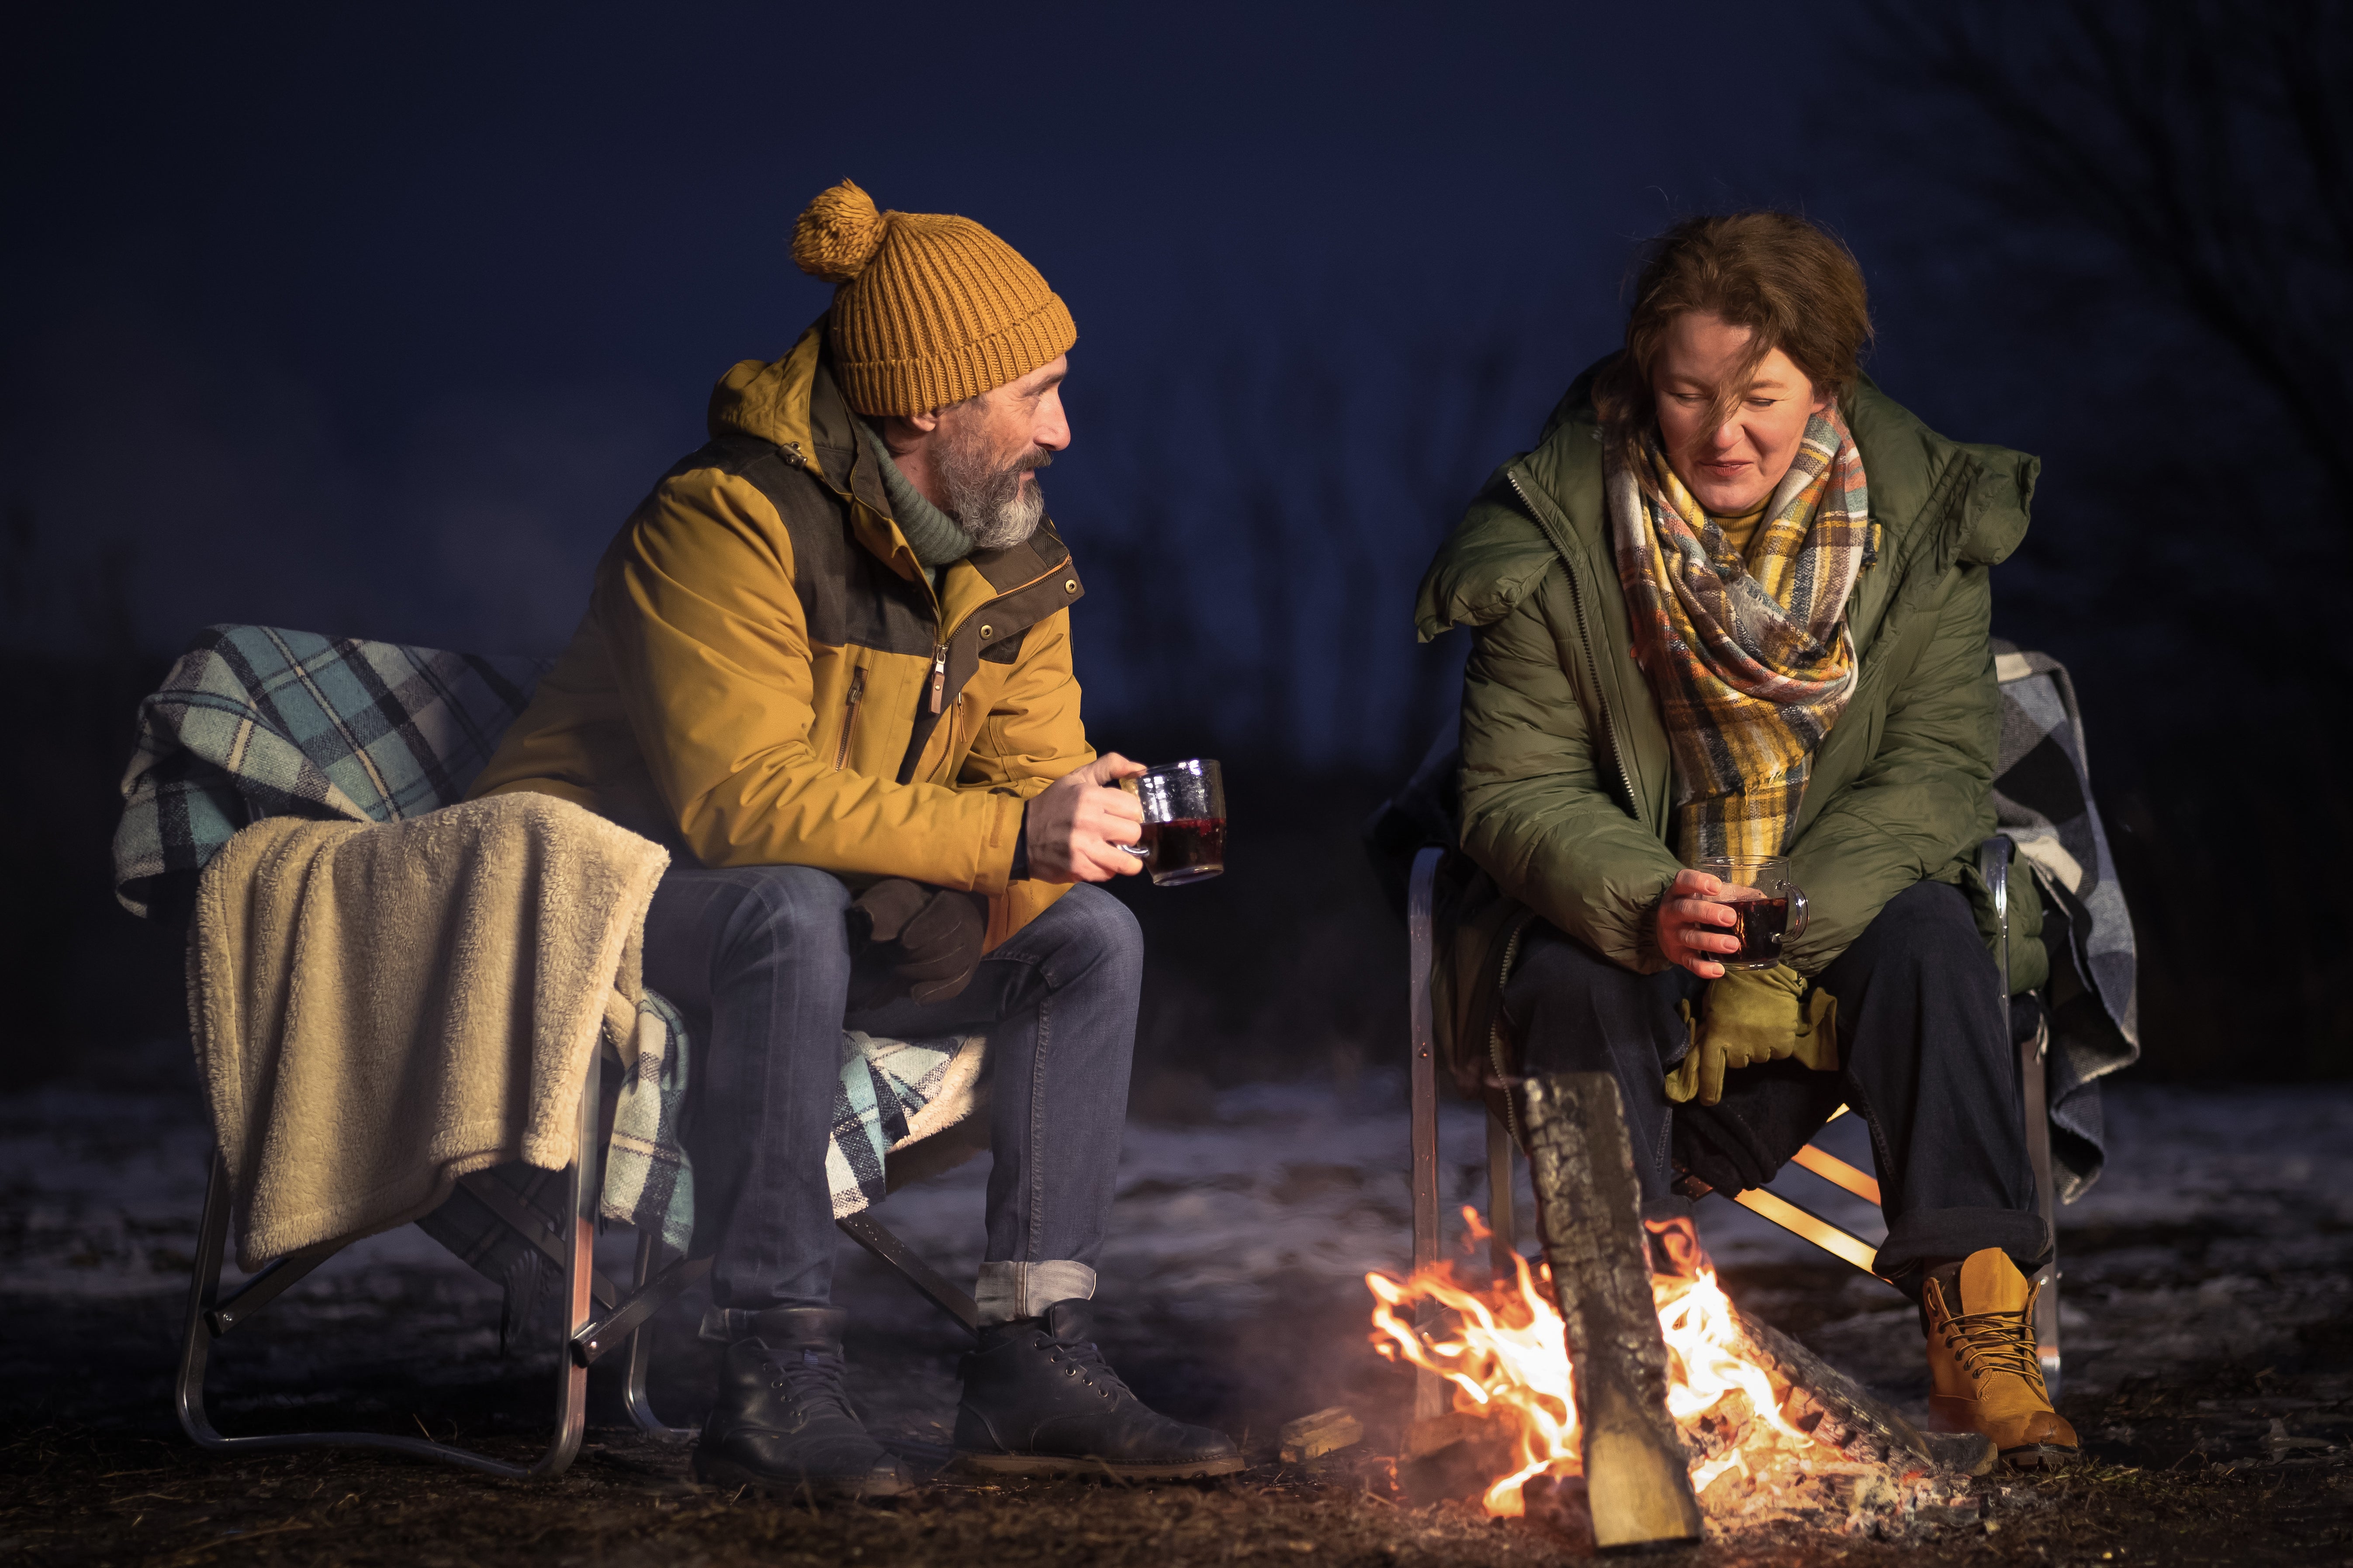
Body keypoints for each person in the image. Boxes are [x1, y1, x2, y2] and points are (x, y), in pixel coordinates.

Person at [469, 180, 1240, 1495]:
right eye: (1035, 391)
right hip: (592, 894)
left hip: (816, 911)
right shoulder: (723, 521)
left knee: (1089, 938)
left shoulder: (1011, 557)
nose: (1062, 428)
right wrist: (1013, 828)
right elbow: (738, 806)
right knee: (782, 901)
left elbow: (1026, 776)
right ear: (930, 403)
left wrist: (1083, 811)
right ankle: (771, 1368)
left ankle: (1029, 1359)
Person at [1413, 212, 2075, 1468]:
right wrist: (1649, 898)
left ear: (1822, 383)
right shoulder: (1550, 531)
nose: (1724, 434)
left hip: (1832, 904)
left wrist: (1788, 915)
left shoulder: (1922, 521)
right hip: (1629, 923)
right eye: (1686, 393)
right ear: (1641, 381)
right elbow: (1513, 789)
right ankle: (1622, 1354)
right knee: (1561, 976)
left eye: (1760, 396)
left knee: (1937, 938)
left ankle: (1977, 1339)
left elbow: (1934, 772)